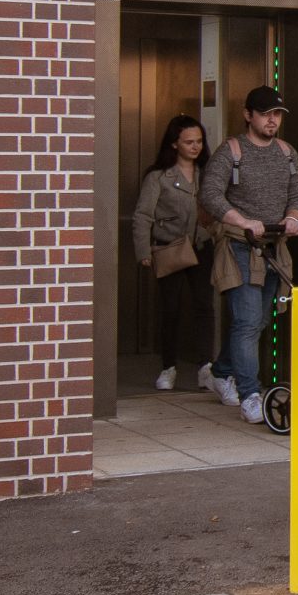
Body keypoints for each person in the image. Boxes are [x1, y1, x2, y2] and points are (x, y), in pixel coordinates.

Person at [199, 86, 298, 422]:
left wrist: (293, 217)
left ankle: (218, 372)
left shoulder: (287, 153)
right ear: (248, 115)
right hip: (239, 246)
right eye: (265, 114)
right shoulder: (230, 151)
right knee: (248, 322)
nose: (272, 120)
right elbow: (210, 195)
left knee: (259, 322)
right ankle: (251, 394)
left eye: (276, 114)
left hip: (274, 248)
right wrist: (243, 221)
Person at [131, 115, 213, 391]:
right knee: (171, 310)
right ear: (174, 144)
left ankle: (205, 366)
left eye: (199, 141)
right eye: (189, 142)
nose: (195, 147)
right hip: (170, 249)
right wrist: (143, 251)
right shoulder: (159, 177)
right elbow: (143, 215)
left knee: (205, 306)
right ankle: (168, 367)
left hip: (201, 247)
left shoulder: (208, 173)